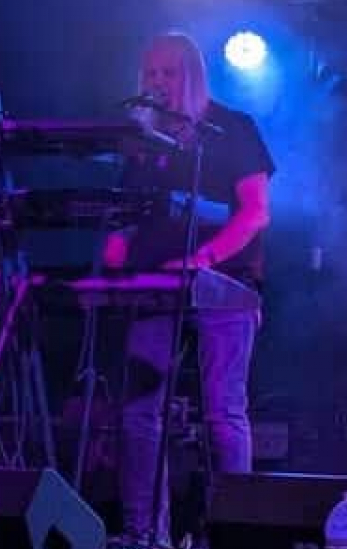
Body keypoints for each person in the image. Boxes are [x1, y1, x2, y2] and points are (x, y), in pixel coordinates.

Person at [103, 31, 275, 545]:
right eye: (151, 73)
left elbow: (255, 212)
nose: (158, 83)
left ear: (193, 75)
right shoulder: (142, 138)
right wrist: (116, 247)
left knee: (223, 410)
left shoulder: (232, 128)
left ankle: (235, 532)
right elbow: (126, 211)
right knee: (140, 412)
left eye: (169, 73)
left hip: (225, 283)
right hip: (154, 283)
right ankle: (143, 534)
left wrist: (204, 258)